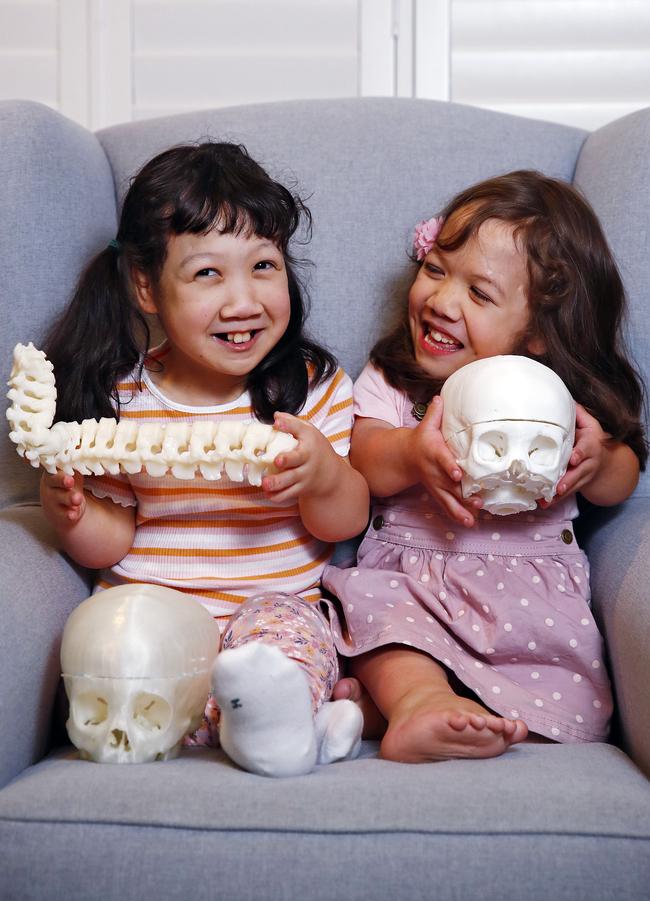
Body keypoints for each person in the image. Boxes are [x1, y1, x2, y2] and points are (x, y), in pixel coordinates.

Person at [39, 141, 370, 776]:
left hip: (272, 609)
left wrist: (323, 474)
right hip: (156, 611)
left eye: (264, 266)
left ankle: (280, 715)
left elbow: (345, 521)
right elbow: (114, 541)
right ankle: (297, 726)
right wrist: (74, 514)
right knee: (126, 684)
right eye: (207, 274)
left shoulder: (310, 385)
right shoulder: (123, 399)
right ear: (146, 286)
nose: (243, 301)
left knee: (285, 647)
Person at [323, 169, 647, 764]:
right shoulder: (396, 380)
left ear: (539, 334)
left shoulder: (563, 398)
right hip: (415, 582)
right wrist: (410, 454)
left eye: (480, 293)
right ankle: (418, 701)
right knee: (383, 621)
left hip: (531, 595)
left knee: (575, 690)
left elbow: (623, 481)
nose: (441, 301)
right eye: (436, 270)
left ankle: (404, 708)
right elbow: (363, 460)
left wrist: (597, 461)